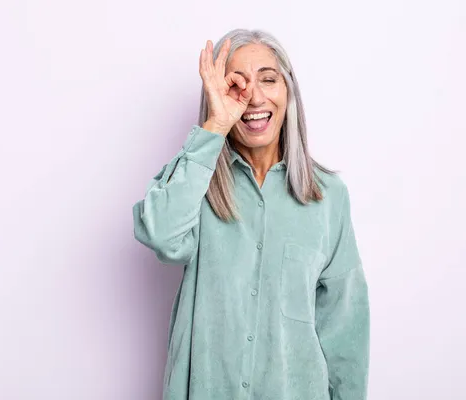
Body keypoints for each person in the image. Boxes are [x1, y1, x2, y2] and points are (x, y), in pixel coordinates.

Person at [132, 28, 370, 400]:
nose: (255, 97)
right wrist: (215, 126)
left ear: (289, 92)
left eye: (268, 79)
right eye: (237, 84)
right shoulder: (197, 184)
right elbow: (161, 236)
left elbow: (345, 327)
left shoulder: (328, 197)